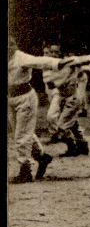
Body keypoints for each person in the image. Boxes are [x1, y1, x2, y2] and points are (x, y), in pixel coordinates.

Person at [7, 36, 66, 182]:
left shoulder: (21, 57)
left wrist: (59, 62)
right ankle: (41, 156)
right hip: (10, 98)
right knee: (20, 132)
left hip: (25, 98)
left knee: (22, 135)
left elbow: (42, 61)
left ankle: (25, 170)